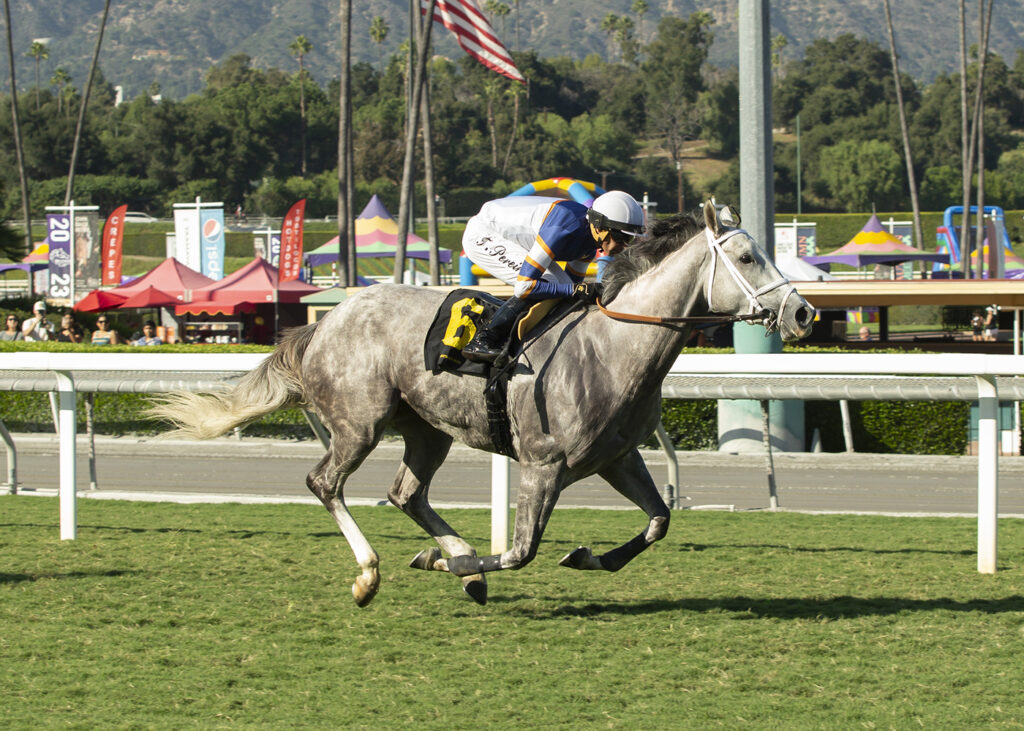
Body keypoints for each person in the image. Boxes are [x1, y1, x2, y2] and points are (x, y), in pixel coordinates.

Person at [460, 190, 646, 363]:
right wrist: (577, 290)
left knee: (562, 288)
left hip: (518, 237)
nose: (624, 246)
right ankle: (484, 338)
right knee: (544, 283)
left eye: (628, 240)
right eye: (621, 238)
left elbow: (572, 290)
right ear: (600, 228)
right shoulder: (564, 229)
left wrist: (580, 291)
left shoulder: (588, 243)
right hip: (483, 233)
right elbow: (525, 286)